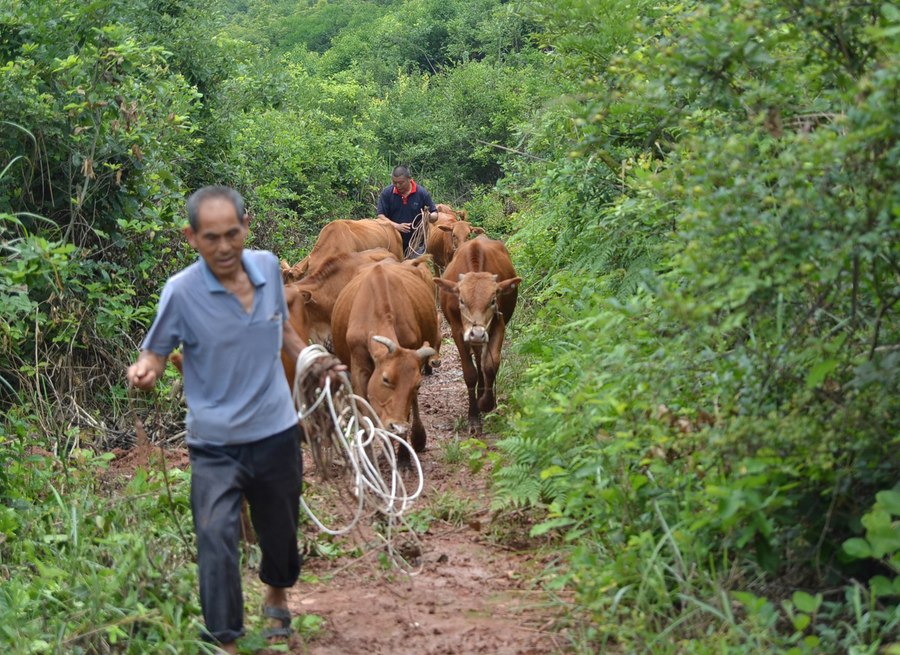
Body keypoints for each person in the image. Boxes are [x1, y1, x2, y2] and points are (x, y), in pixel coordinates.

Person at [126, 186, 334, 654]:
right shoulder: (181, 292)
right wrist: (146, 371)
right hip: (214, 442)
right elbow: (156, 353)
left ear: (246, 227)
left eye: (232, 234)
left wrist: (312, 359)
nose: (223, 247)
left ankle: (277, 594)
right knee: (216, 534)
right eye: (211, 237)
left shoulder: (266, 266)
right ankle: (226, 639)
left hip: (276, 430)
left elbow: (282, 329)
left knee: (279, 528)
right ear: (191, 237)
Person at [376, 165, 437, 256]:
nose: (397, 185)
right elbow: (380, 216)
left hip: (416, 243)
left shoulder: (421, 193)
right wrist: (396, 226)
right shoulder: (387, 193)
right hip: (393, 241)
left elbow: (435, 215)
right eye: (394, 182)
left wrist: (428, 216)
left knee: (414, 269)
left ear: (410, 179)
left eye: (401, 183)